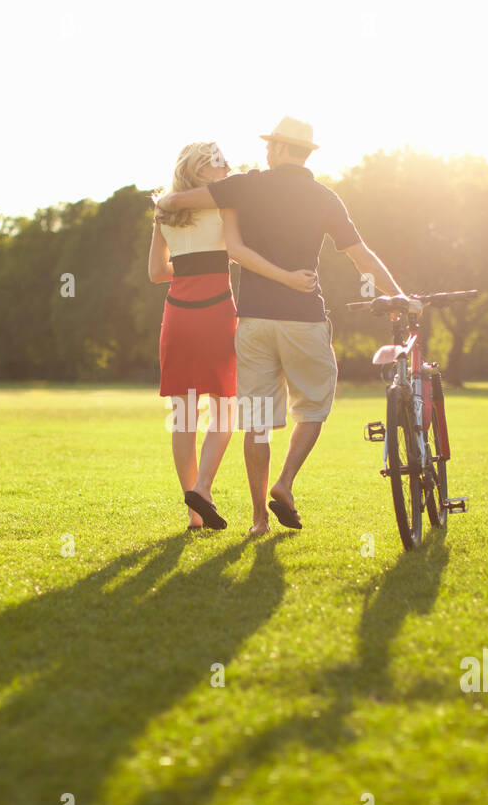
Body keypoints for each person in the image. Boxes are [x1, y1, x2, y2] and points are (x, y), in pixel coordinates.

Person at [156, 117, 407, 534]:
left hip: (252, 322)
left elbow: (178, 201)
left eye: (271, 145)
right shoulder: (325, 197)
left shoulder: (246, 186)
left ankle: (258, 521)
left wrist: (171, 208)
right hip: (304, 319)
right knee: (313, 407)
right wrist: (397, 294)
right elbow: (361, 255)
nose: (267, 151)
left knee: (255, 420)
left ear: (280, 149)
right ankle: (285, 483)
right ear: (306, 152)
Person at [149, 141, 316, 531]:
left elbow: (157, 272)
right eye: (217, 163)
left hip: (176, 316)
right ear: (200, 170)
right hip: (216, 313)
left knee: (184, 415)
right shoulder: (226, 204)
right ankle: (202, 490)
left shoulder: (164, 211)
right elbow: (238, 250)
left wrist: (190, 266)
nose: (226, 167)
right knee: (224, 410)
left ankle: (194, 512)